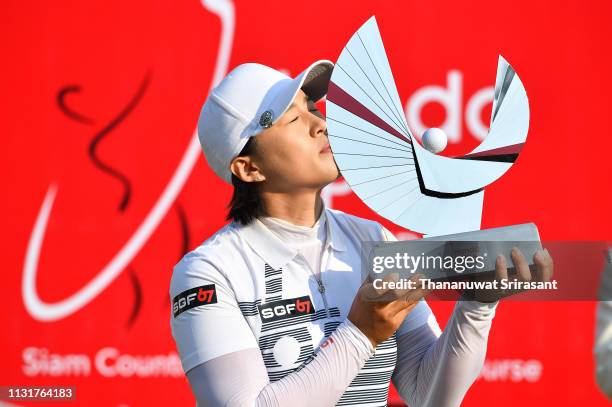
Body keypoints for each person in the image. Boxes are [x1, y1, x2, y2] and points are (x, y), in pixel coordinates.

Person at [169, 60, 554, 406]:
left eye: (313, 109)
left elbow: (425, 394)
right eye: (292, 118)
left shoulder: (373, 238)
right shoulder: (207, 273)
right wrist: (361, 333)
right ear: (249, 168)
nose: (320, 124)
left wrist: (477, 306)